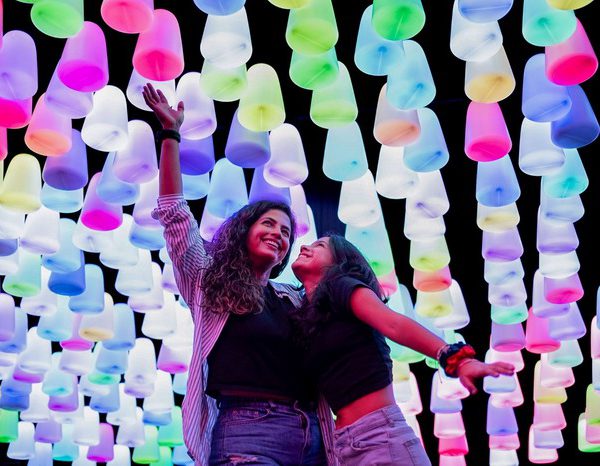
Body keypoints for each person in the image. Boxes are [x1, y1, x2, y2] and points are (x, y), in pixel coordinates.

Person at [143, 84, 335, 466]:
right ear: (244, 230)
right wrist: (170, 136)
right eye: (269, 224)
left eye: (286, 232)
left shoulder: (293, 298)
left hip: (310, 433)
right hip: (248, 433)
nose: (279, 234)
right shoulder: (207, 279)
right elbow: (175, 214)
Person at [291, 234, 515, 465]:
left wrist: (457, 359)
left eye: (319, 245)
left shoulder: (341, 286)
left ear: (339, 261)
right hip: (345, 446)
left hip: (380, 436)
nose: (305, 246)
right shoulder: (309, 319)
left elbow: (394, 324)